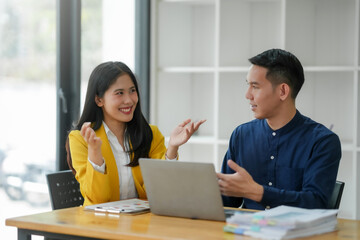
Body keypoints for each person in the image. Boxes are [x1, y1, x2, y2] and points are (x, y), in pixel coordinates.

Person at [217, 49, 341, 210]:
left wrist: (259, 193)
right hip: (246, 232)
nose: (248, 95)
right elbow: (227, 202)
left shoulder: (322, 141)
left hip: (297, 234)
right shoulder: (241, 135)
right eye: (248, 85)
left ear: (282, 91)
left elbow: (316, 202)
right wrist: (173, 154)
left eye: (255, 86)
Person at [66, 61, 205, 206]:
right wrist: (94, 152)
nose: (129, 100)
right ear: (99, 99)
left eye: (132, 90)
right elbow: (98, 200)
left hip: (143, 222)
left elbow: (161, 191)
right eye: (119, 93)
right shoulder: (79, 139)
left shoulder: (150, 134)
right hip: (100, 224)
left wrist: (172, 148)